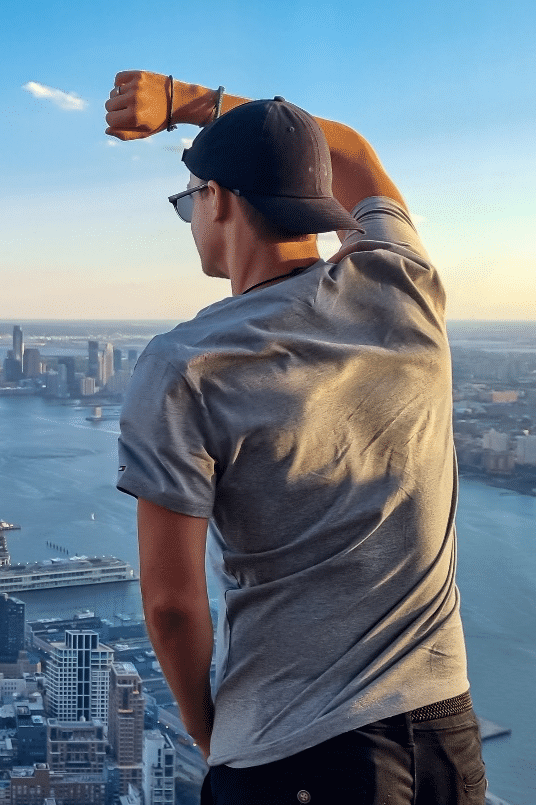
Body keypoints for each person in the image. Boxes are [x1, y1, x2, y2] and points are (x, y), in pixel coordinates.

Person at [104, 71, 487, 803]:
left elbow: (172, 603)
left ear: (218, 197)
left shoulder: (187, 364)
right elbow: (353, 153)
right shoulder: (403, 286)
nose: (190, 216)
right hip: (443, 730)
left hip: (292, 752)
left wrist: (204, 728)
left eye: (189, 198)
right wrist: (186, 101)